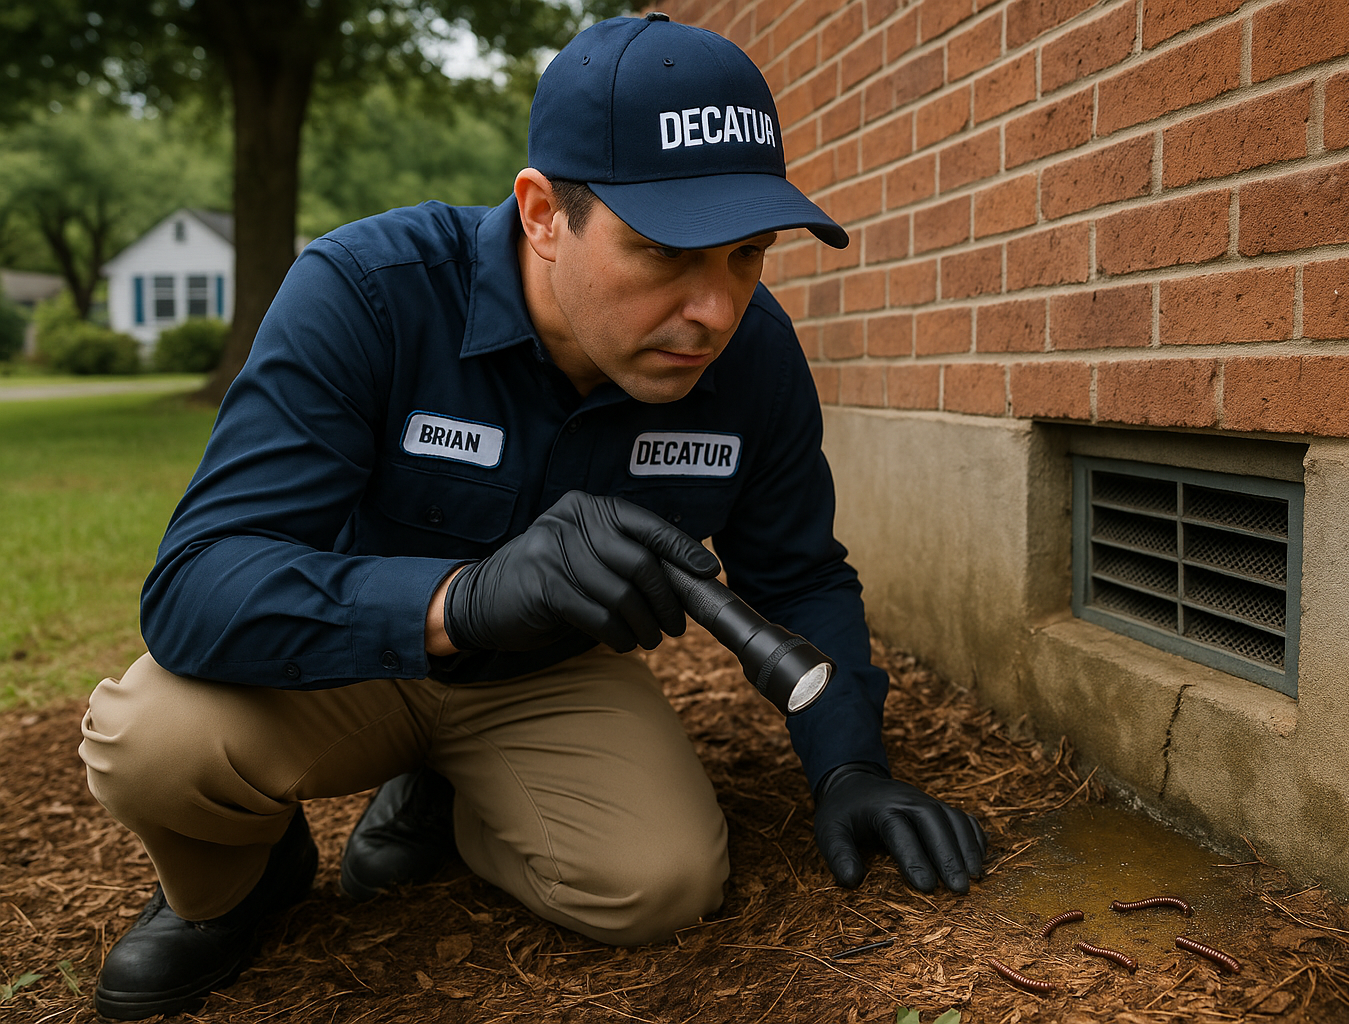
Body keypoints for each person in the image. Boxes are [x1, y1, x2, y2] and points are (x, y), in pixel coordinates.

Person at [79, 13, 987, 1022]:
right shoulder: (368, 295)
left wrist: (850, 762)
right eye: (662, 252)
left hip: (541, 679)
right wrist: (463, 598)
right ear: (544, 213)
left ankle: (453, 797)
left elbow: (801, 573)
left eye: (746, 254)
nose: (715, 311)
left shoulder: (754, 359)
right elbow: (198, 578)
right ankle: (239, 882)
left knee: (663, 883)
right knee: (150, 739)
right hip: (344, 661)